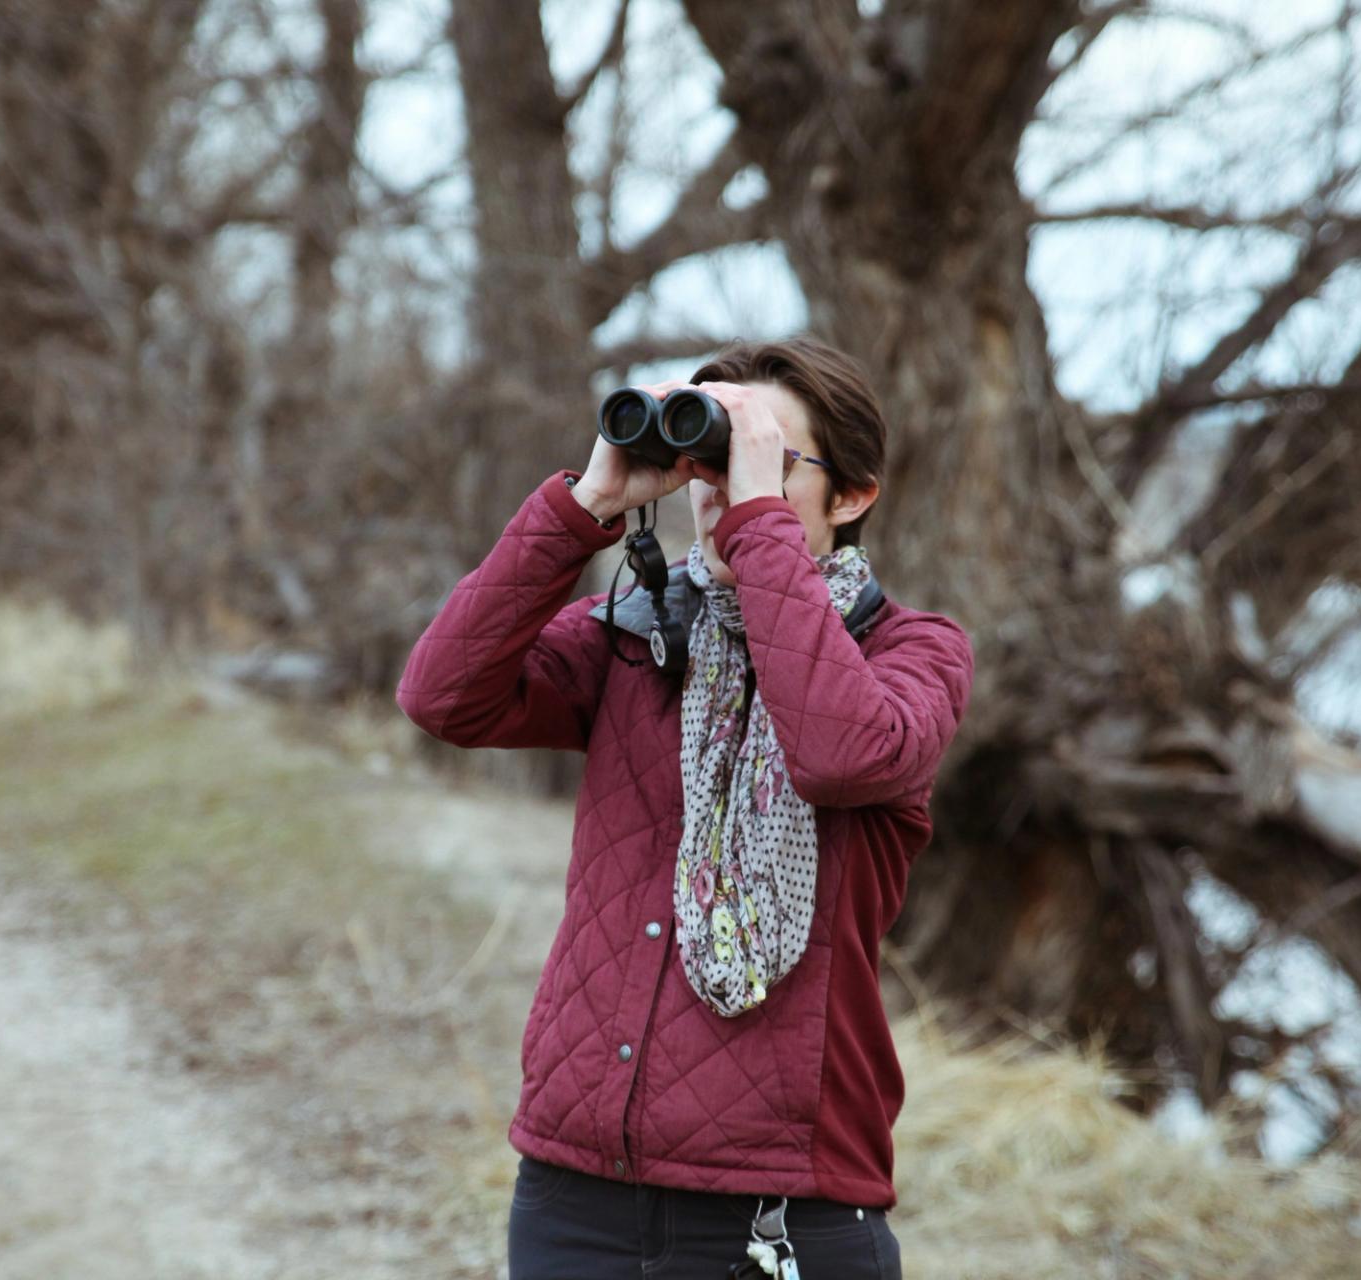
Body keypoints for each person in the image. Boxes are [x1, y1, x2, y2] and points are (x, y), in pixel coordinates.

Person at [395, 337, 974, 1279]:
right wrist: (582, 508)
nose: (722, 492)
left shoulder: (913, 655)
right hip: (576, 1190)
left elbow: (836, 752)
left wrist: (756, 525)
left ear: (855, 494)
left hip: (784, 1209)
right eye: (713, 464)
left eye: (767, 463)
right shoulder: (637, 633)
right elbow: (443, 696)